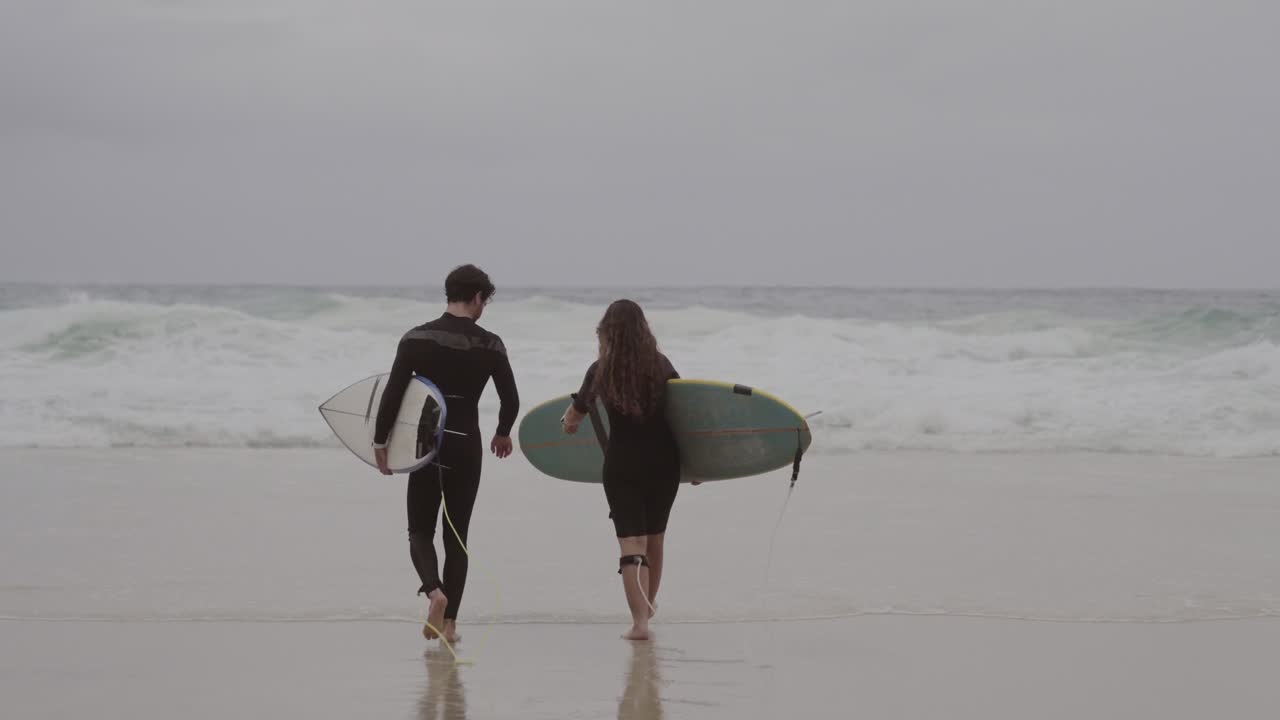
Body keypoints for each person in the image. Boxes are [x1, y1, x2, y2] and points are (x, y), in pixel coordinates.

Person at [372, 264, 518, 644]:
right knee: (458, 538)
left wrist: (380, 441)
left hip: (426, 445)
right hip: (466, 444)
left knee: (420, 529)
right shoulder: (491, 344)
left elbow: (392, 395)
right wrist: (503, 432)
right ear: (476, 298)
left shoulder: (416, 338)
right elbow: (511, 399)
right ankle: (451, 625)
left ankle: (434, 592)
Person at [561, 299, 695, 641]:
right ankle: (648, 606)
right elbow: (684, 415)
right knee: (655, 539)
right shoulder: (661, 365)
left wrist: (568, 422)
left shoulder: (601, 370)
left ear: (608, 333)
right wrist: (697, 464)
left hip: (623, 463)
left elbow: (575, 416)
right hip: (664, 462)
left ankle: (639, 623)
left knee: (630, 544)